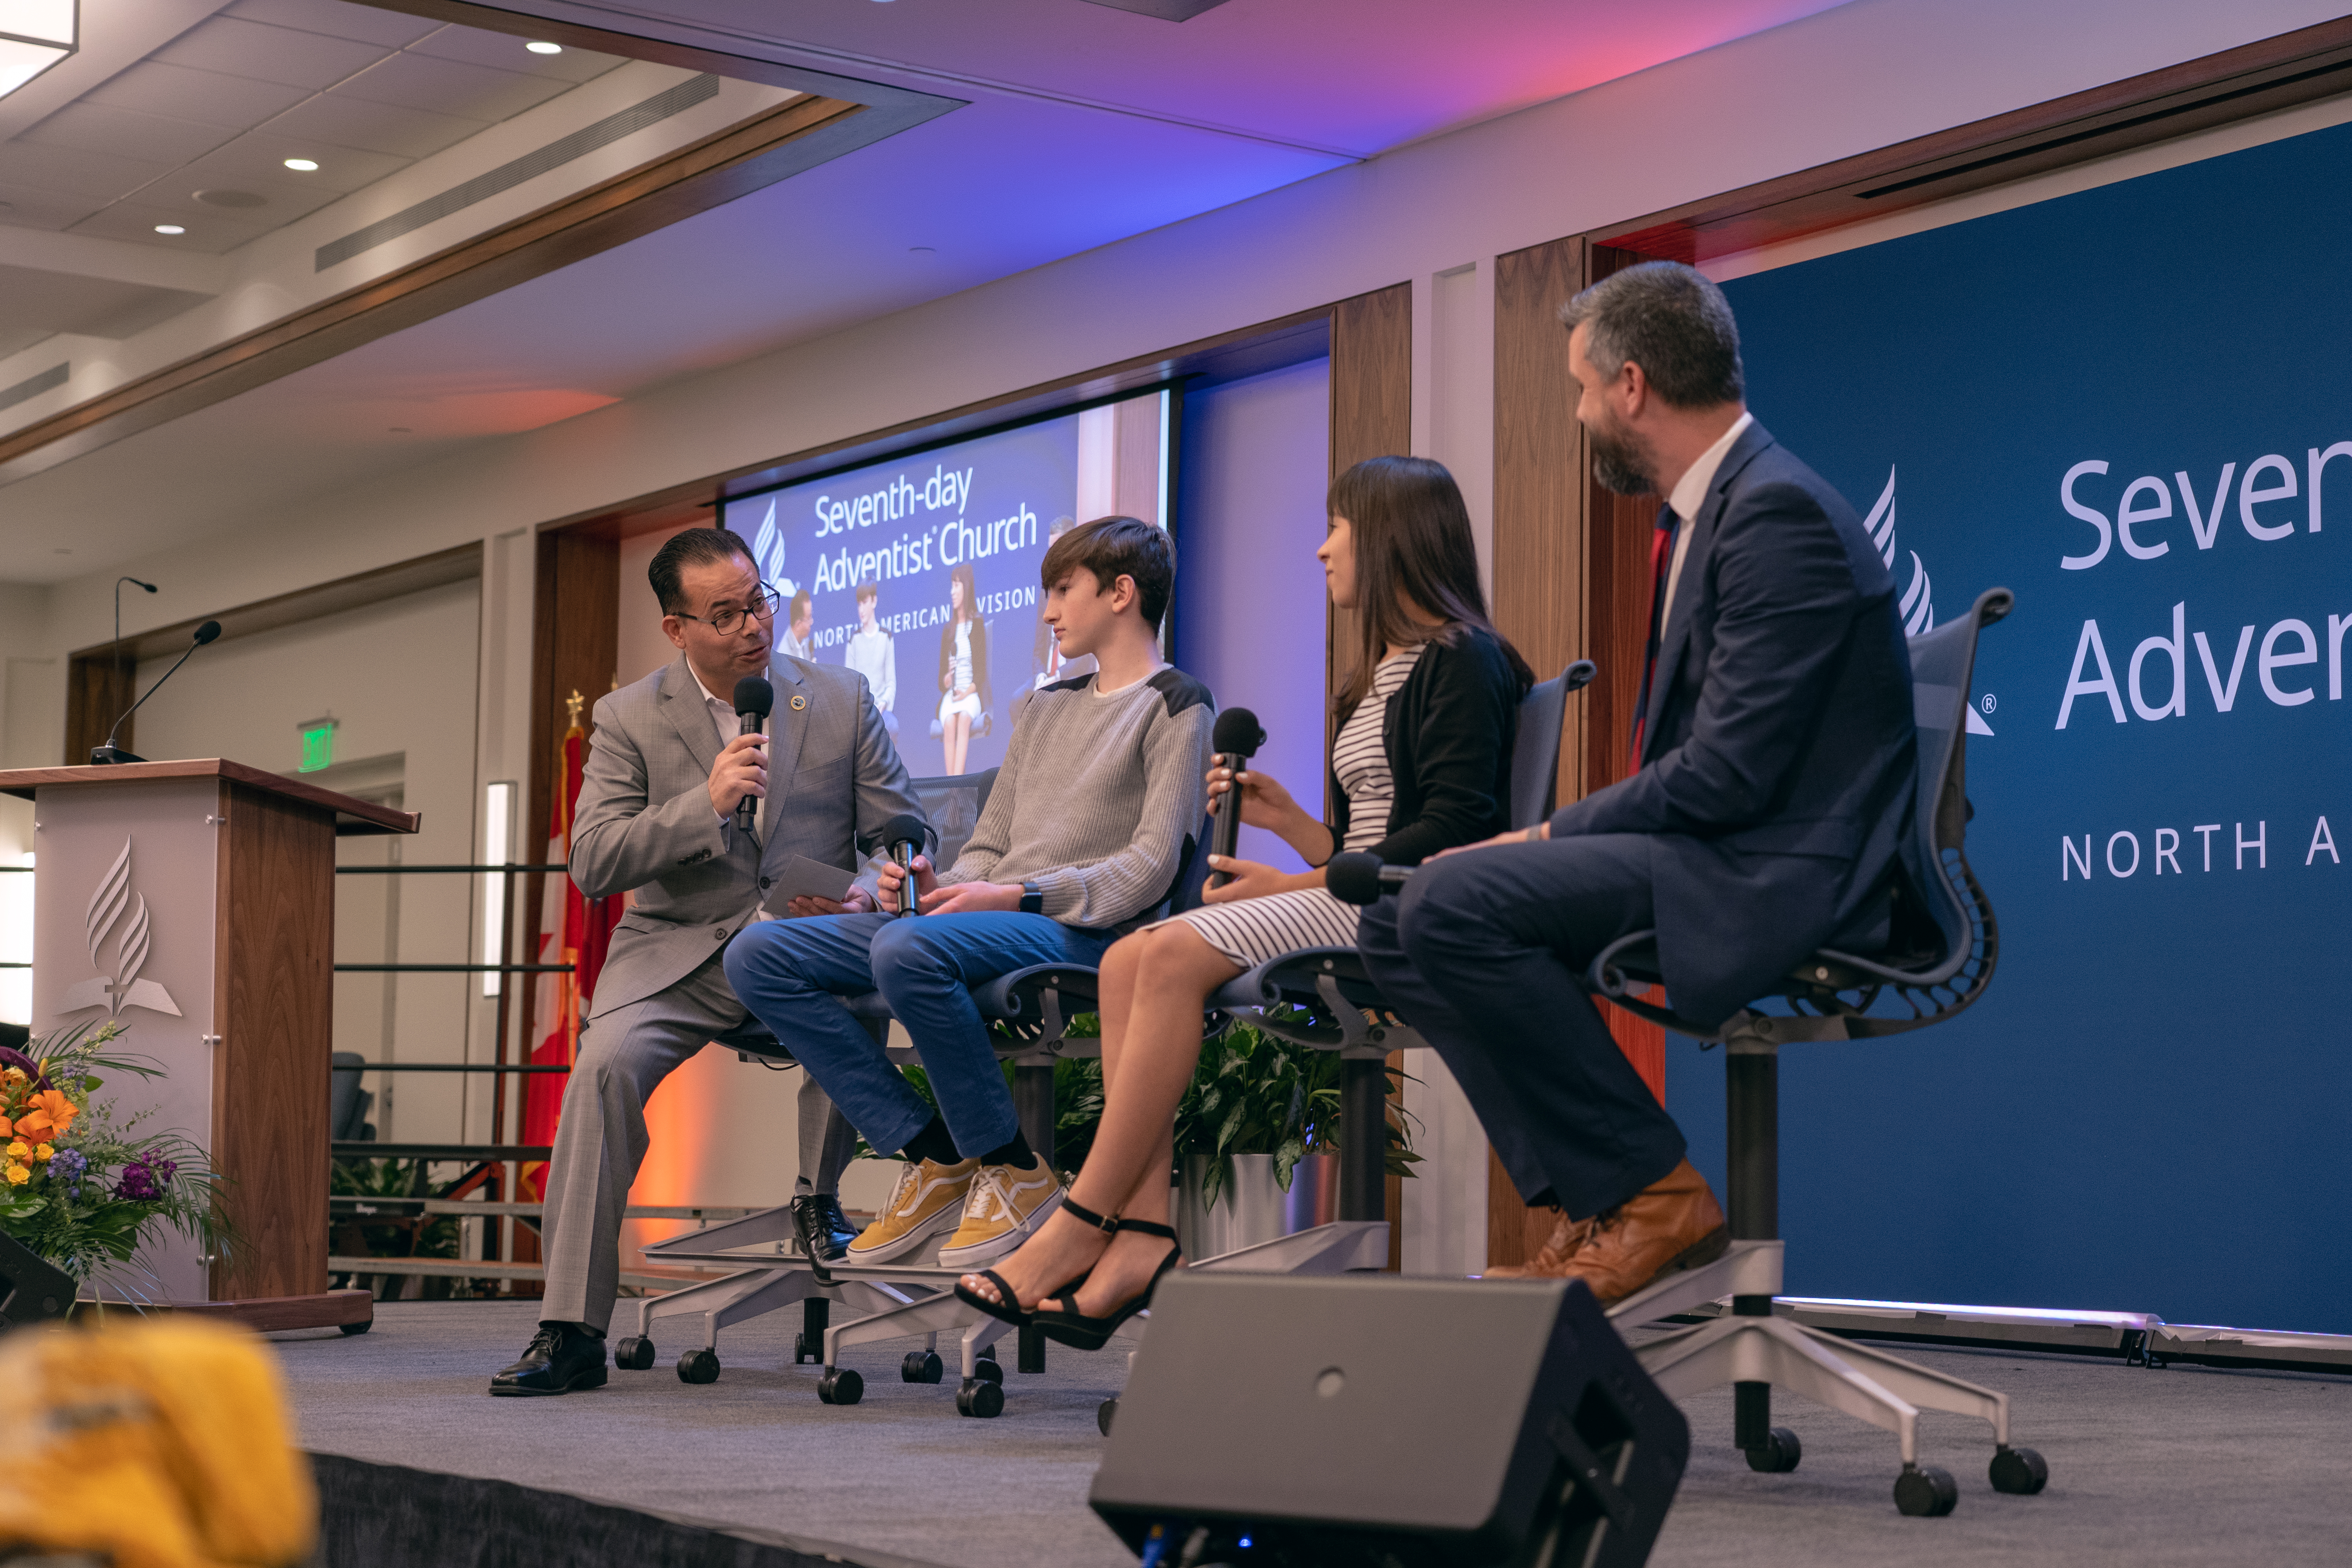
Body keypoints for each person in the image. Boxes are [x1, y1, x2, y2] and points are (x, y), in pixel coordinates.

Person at [1358, 261, 1921, 1301]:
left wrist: (1542, 837)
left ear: (1631, 386)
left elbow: (1725, 773)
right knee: (1398, 921)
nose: (1578, 414)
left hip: (1777, 870)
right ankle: (1600, 1197)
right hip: (1723, 845)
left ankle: (1651, 1195)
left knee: (1451, 899)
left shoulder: (1775, 515)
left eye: (1581, 389)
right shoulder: (1721, 511)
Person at [960, 457, 1532, 1345]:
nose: (1322, 549)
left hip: (1407, 909)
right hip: (1357, 891)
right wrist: (1296, 825)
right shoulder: (1378, 672)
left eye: (1337, 528)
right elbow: (1370, 839)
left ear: (1392, 536)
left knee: (1166, 951)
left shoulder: (1467, 660)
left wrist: (1296, 882)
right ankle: (1144, 1234)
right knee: (1128, 956)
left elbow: (1447, 838)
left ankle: (1084, 1219)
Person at [490, 527, 924, 1396]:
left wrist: (875, 882)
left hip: (800, 944)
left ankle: (818, 1198)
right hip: (677, 956)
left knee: (860, 996)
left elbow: (899, 828)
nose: (753, 626)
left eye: (759, 602)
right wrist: (705, 804)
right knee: (602, 1072)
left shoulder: (840, 696)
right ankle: (570, 1327)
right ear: (676, 628)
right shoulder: (627, 716)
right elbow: (594, 860)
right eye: (725, 614)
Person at [724, 517, 1211, 1282]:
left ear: (1122, 593)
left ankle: (1011, 1167)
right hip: (1006, 913)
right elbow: (990, 844)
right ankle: (937, 1155)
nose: (1048, 611)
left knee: (905, 945)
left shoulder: (1178, 703)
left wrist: (1015, 894)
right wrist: (940, 885)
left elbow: (1150, 869)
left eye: (1063, 590)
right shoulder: (1045, 706)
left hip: (1090, 931)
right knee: (758, 954)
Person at [936, 562, 989, 773]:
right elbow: (941, 681)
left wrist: (965, 693)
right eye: (952, 586)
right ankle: (951, 786)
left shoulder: (977, 625)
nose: (953, 592)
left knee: (964, 719)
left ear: (966, 588)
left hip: (970, 694)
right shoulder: (947, 631)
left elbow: (981, 674)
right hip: (952, 696)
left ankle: (957, 784)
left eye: (957, 585)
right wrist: (948, 679)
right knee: (949, 722)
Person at [843, 579, 897, 733]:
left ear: (874, 602)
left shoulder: (886, 638)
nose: (861, 610)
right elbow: (849, 686)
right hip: (861, 712)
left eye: (865, 603)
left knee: (892, 726)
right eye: (859, 604)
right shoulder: (853, 641)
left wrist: (883, 704)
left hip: (882, 710)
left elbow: (891, 682)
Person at [781, 588, 816, 661]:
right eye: (809, 618)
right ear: (798, 625)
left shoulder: (806, 642)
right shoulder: (785, 655)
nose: (812, 622)